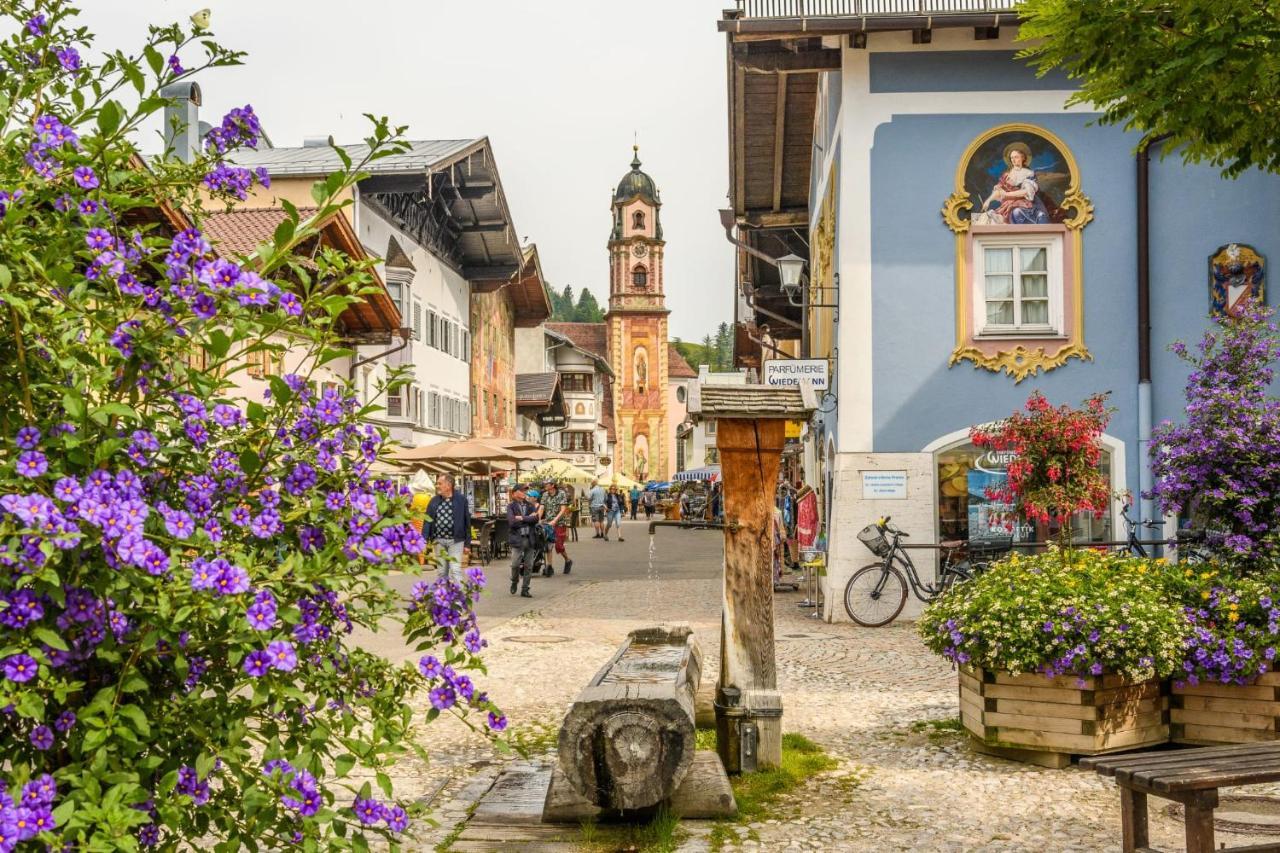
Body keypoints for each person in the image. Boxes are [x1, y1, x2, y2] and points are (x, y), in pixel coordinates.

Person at [425, 474, 469, 584]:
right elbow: (427, 520)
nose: (437, 486)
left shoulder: (461, 500)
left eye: (440, 483)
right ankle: (443, 598)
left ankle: (460, 600)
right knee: (441, 572)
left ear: (449, 485)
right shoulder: (433, 501)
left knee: (455, 570)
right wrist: (423, 540)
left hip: (456, 541)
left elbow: (467, 521)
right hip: (438, 541)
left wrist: (467, 544)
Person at [506, 484, 540, 598]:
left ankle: (525, 589)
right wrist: (528, 519)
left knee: (529, 565)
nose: (524, 492)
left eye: (525, 490)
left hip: (530, 538)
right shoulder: (511, 506)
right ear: (515, 493)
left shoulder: (530, 505)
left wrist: (521, 518)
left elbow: (536, 519)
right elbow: (512, 522)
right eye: (522, 490)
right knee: (515, 564)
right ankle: (514, 581)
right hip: (517, 539)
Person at [542, 481, 574, 574]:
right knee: (548, 545)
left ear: (552, 485)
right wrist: (537, 517)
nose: (545, 486)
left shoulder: (561, 494)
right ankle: (549, 566)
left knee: (558, 545)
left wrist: (555, 520)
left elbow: (563, 509)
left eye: (547, 484)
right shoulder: (544, 495)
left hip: (559, 523)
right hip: (548, 523)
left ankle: (568, 560)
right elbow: (541, 508)